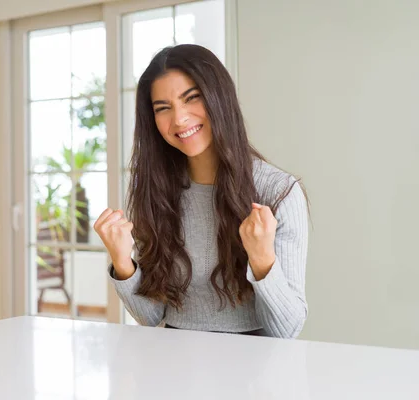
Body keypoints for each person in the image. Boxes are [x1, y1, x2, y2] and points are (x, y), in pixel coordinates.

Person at [93, 44, 309, 338]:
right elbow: (153, 316)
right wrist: (122, 262)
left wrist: (262, 260)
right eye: (163, 108)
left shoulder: (279, 191)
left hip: (253, 372)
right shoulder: (156, 190)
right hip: (176, 362)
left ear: (219, 97)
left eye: (191, 98)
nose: (179, 119)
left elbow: (288, 330)